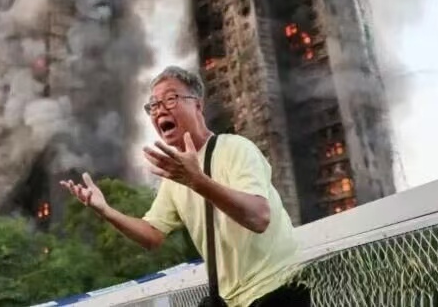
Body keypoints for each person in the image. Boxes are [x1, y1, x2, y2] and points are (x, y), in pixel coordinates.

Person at [61, 66, 310, 307]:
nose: (160, 110)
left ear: (198, 105)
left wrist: (198, 181)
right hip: (232, 300)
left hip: (277, 287)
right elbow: (152, 235)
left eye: (170, 99)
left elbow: (259, 217)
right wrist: (105, 210)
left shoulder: (235, 148)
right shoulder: (175, 178)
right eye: (153, 105)